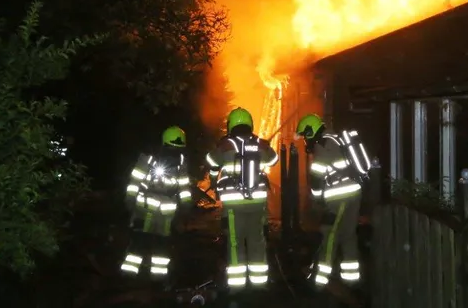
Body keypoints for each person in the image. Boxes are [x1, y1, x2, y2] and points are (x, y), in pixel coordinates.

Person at [295, 113, 373, 289]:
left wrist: (316, 200)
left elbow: (317, 177)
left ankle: (320, 281)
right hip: (354, 193)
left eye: (305, 135)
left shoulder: (322, 145)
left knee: (329, 235)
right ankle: (351, 279)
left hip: (338, 197)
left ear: (310, 131)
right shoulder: (336, 139)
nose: (305, 140)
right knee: (348, 235)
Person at [206, 107, 278, 291]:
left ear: (230, 125)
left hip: (233, 204)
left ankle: (237, 288)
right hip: (257, 202)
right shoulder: (259, 143)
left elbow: (211, 161)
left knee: (235, 242)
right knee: (257, 241)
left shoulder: (226, 146)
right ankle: (259, 285)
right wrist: (265, 146)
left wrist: (214, 181)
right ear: (250, 124)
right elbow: (274, 160)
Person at [120, 126, 194, 284]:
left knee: (148, 245)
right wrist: (186, 206)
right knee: (150, 245)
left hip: (153, 211)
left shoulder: (177, 161)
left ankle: (143, 280)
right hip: (153, 211)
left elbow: (183, 186)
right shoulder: (152, 158)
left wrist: (130, 200)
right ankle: (139, 279)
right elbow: (136, 180)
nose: (174, 150)